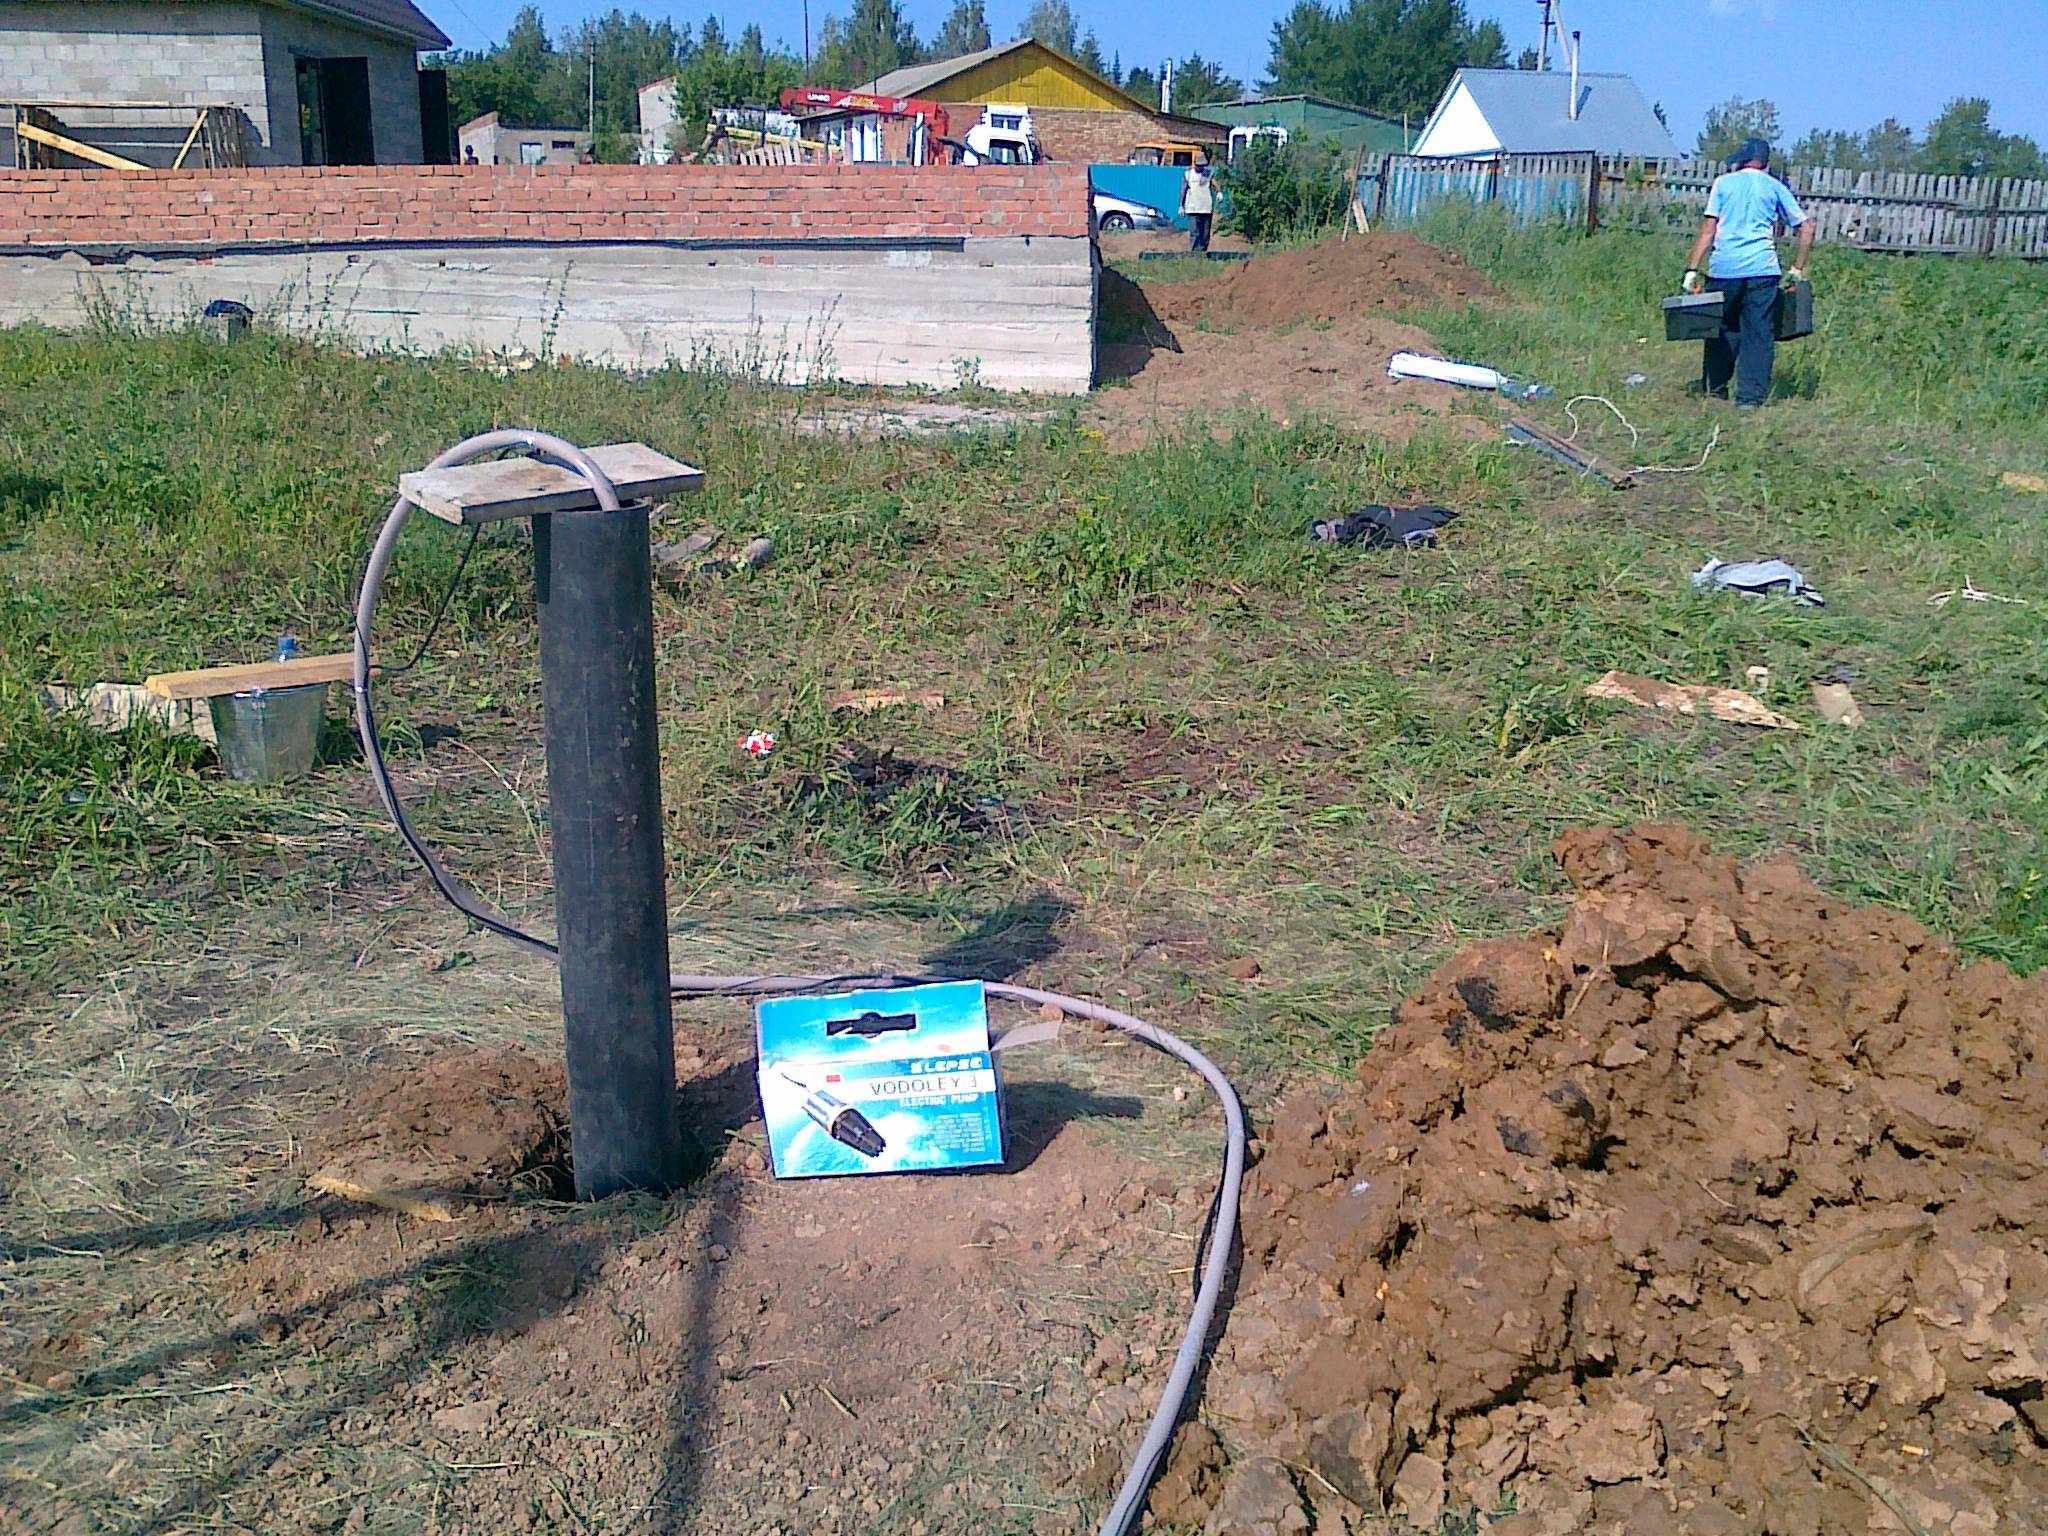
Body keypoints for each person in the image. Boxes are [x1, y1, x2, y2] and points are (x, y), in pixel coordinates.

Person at [1683, 138, 1814, 409]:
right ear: (1765, 162)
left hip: (1724, 268)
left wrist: (1692, 269)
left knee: (1722, 327)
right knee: (1759, 332)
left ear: (1741, 159)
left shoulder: (1723, 184)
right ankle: (1750, 399)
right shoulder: (1775, 187)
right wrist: (1797, 269)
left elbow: (1708, 230)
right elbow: (1806, 229)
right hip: (1763, 270)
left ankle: (1715, 388)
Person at [1181, 158, 1215, 254]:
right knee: (1195, 232)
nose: (1200, 167)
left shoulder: (1208, 174)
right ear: (1194, 164)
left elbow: (1214, 183)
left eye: (1202, 165)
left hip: (1206, 208)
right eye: (1198, 165)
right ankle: (1195, 253)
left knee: (1205, 233)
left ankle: (1203, 252)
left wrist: (1219, 192)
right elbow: (1183, 189)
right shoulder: (1188, 174)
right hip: (1192, 208)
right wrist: (1181, 205)